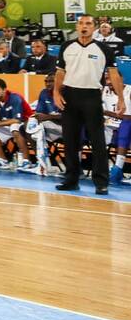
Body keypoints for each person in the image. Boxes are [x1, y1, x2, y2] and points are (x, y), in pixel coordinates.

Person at [54, 14, 125, 194]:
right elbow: (60, 73)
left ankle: (101, 182)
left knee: (98, 141)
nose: (84, 26)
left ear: (94, 28)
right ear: (76, 27)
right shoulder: (66, 46)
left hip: (92, 96)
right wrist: (56, 92)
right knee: (70, 141)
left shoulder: (104, 49)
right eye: (80, 23)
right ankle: (71, 180)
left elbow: (114, 74)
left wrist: (121, 98)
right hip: (70, 96)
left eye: (88, 24)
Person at [0, 79, 31, 171]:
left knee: (14, 128)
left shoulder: (15, 97)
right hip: (7, 124)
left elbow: (17, 120)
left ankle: (26, 161)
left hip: (24, 124)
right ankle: (3, 161)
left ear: (4, 90)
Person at [25, 74, 62, 175]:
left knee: (39, 128)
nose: (48, 84)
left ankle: (43, 164)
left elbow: (68, 116)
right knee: (26, 127)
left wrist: (49, 117)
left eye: (51, 81)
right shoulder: (44, 93)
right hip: (49, 125)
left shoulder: (65, 93)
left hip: (65, 127)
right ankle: (41, 161)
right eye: (46, 81)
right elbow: (39, 112)